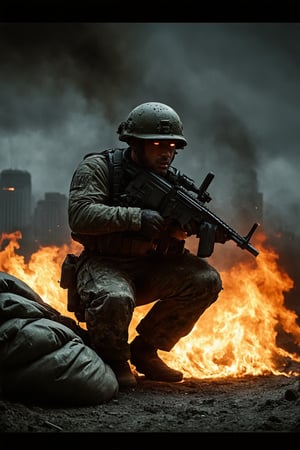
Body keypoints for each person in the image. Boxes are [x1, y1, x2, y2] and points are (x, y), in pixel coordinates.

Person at [67, 101, 224, 389]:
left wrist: (180, 230)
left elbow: (174, 231)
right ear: (134, 143)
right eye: (156, 144)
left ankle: (146, 350)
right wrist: (137, 218)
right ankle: (114, 360)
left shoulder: (172, 183)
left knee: (206, 280)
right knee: (114, 298)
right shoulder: (100, 168)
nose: (166, 152)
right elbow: (80, 216)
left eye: (172, 145)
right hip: (105, 263)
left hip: (150, 265)